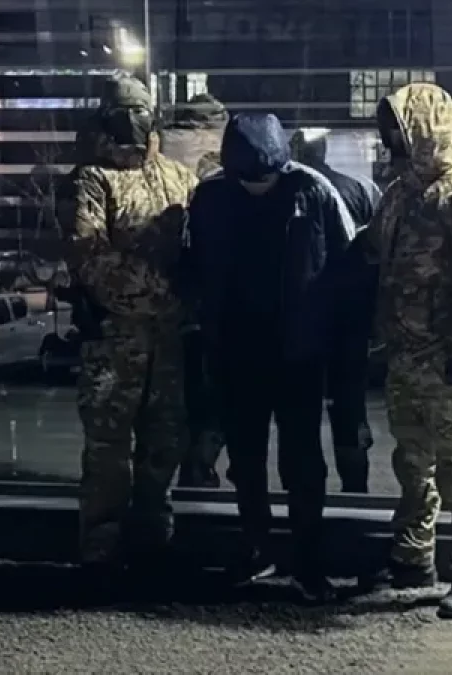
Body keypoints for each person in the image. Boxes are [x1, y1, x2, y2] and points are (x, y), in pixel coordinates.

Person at [184, 112, 355, 600]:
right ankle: (256, 546)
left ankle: (308, 559)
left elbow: (345, 262)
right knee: (246, 458)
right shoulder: (211, 196)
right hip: (237, 348)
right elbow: (193, 264)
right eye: (248, 179)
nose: (258, 186)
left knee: (303, 460)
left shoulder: (313, 190)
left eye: (266, 178)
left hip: (300, 352)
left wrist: (339, 338)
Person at [368, 83, 452, 619]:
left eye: (398, 130)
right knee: (412, 464)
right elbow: (375, 248)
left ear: (423, 131)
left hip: (448, 357)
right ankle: (412, 558)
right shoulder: (401, 193)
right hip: (406, 352)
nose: (390, 141)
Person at [61, 75, 197, 585]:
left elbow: (197, 248)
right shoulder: (90, 181)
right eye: (122, 113)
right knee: (107, 452)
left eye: (140, 111)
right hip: (114, 343)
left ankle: (155, 543)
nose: (133, 121)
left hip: (168, 344)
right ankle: (101, 553)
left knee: (165, 444)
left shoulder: (178, 177)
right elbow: (92, 261)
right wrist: (168, 292)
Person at [291, 128, 382, 494]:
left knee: (301, 411)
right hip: (350, 320)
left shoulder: (292, 192)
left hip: (301, 321)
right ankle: (355, 487)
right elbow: (376, 253)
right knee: (349, 406)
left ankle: (304, 490)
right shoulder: (359, 189)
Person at [159, 93, 228, 488]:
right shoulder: (218, 172)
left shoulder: (164, 166)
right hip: (211, 299)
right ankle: (199, 466)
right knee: (212, 392)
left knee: (179, 394)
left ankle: (181, 468)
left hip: (174, 299)